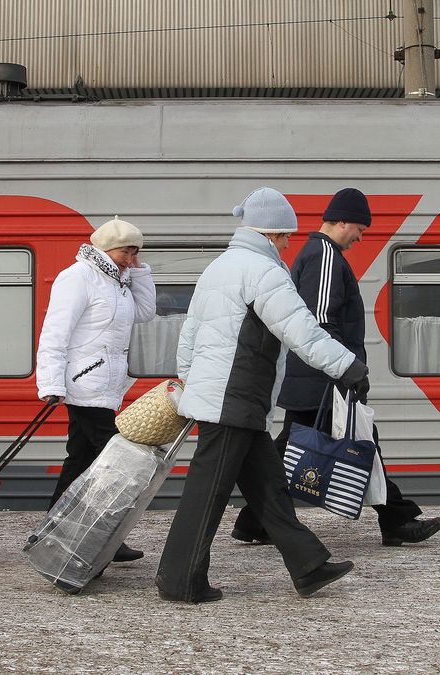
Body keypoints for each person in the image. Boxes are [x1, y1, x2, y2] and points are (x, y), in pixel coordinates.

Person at [155, 187, 368, 603]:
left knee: (268, 487)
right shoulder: (264, 272)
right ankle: (180, 580)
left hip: (228, 398)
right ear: (270, 233)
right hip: (235, 398)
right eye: (286, 236)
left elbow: (190, 334)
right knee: (207, 492)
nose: (289, 243)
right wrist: (347, 366)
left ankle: (308, 565)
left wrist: (192, 382)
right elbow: (301, 331)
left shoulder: (219, 267)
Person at [231, 188, 440, 547]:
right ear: (341, 221)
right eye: (359, 228)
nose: (361, 237)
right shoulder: (325, 256)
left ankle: (255, 520)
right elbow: (320, 320)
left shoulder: (317, 254)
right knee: (363, 442)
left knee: (288, 452)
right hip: (326, 379)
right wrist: (345, 369)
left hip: (313, 378)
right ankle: (397, 520)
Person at [36, 217, 156, 563]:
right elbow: (55, 333)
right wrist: (51, 383)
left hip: (106, 385)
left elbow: (146, 313)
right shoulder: (77, 278)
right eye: (126, 251)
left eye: (135, 252)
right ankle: (102, 539)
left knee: (81, 460)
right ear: (105, 247)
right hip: (84, 385)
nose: (130, 259)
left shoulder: (118, 281)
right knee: (116, 462)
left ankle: (51, 532)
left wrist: (139, 272)